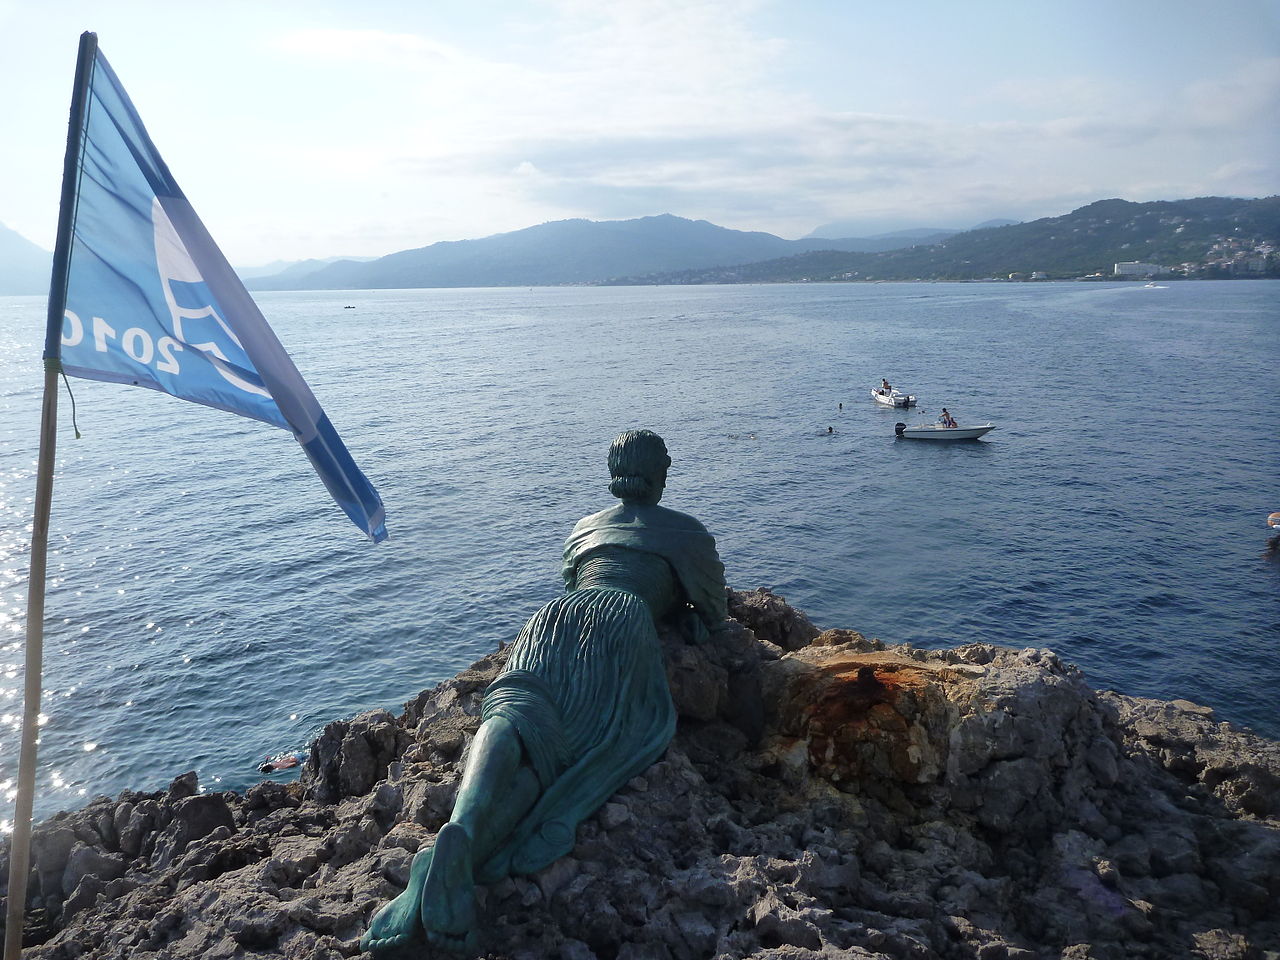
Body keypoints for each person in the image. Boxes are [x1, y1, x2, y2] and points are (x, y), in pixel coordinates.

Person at [362, 430, 727, 953]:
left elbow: (571, 580)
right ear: (661, 474)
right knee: (564, 754)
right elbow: (714, 612)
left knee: (519, 707)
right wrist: (693, 622)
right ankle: (469, 856)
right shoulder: (686, 533)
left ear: (614, 472)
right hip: (620, 621)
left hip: (553, 620)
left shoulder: (584, 528)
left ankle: (460, 829)